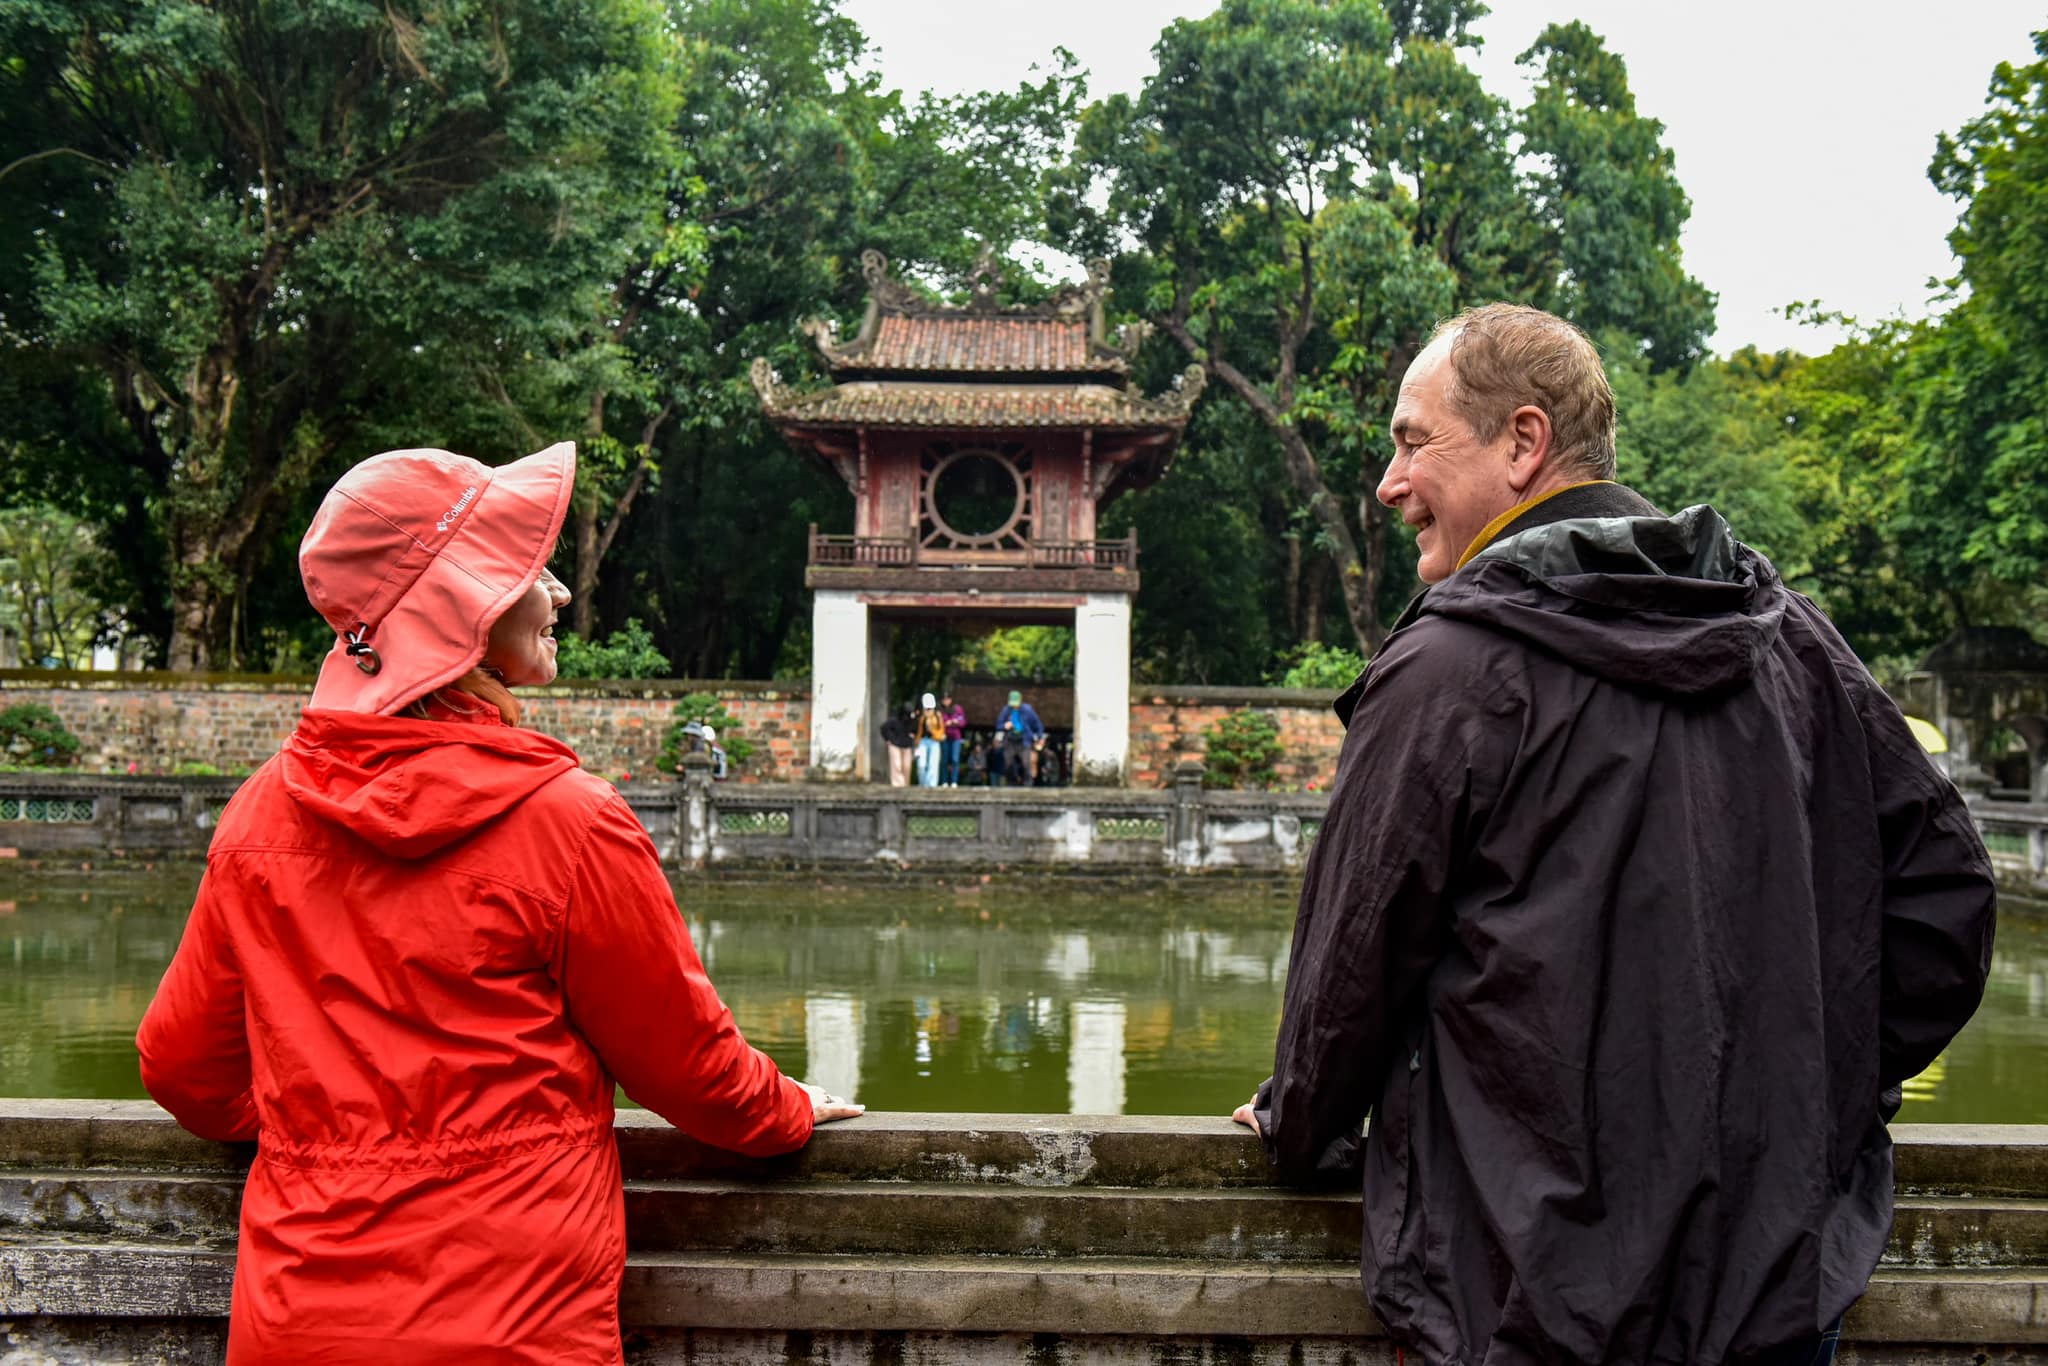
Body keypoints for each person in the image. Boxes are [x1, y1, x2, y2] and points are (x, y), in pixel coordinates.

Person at [1232, 304, 1996, 1366]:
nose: (1387, 483)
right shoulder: (1788, 643)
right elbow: (1944, 903)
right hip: (1767, 1292)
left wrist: (1294, 1118)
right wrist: (1797, 1103)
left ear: (1522, 442)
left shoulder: (1450, 671)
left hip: (1514, 1296)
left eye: (1411, 442)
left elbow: (1352, 964)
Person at [135, 442, 862, 1366]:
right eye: (523, 568)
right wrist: (788, 1107)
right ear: (462, 613)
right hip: (514, 1323)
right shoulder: (568, 823)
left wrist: (331, 1131)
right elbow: (686, 1068)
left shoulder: (261, 814)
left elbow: (181, 1066)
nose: (557, 590)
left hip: (302, 1316)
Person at [992, 688, 1044, 788]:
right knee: (1008, 763)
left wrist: (1040, 736)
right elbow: (998, 725)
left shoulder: (1028, 710)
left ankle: (1028, 784)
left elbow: (1037, 724)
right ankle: (1011, 783)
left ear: (1020, 700)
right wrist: (1005, 726)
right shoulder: (1006, 710)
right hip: (1010, 740)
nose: (1014, 705)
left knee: (1026, 763)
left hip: (1024, 740)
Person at [914, 691, 946, 787]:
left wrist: (931, 728)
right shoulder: (921, 716)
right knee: (921, 764)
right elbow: (919, 731)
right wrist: (916, 744)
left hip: (934, 741)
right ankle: (923, 783)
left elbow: (941, 730)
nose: (928, 710)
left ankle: (931, 785)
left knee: (933, 764)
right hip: (923, 741)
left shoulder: (937, 715)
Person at [879, 702, 915, 786]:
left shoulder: (911, 720)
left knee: (906, 766)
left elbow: (915, 730)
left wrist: (911, 737)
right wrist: (889, 739)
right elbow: (884, 728)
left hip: (906, 745)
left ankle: (905, 784)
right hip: (895, 744)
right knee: (897, 765)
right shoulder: (894, 720)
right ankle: (898, 784)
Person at [939, 693, 967, 787]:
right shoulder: (940, 711)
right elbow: (939, 724)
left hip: (956, 738)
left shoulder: (957, 708)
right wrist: (946, 723)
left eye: (947, 699)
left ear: (951, 700)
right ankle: (944, 781)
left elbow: (963, 722)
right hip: (945, 737)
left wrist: (957, 722)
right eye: (944, 699)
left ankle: (954, 781)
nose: (946, 701)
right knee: (945, 760)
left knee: (955, 759)